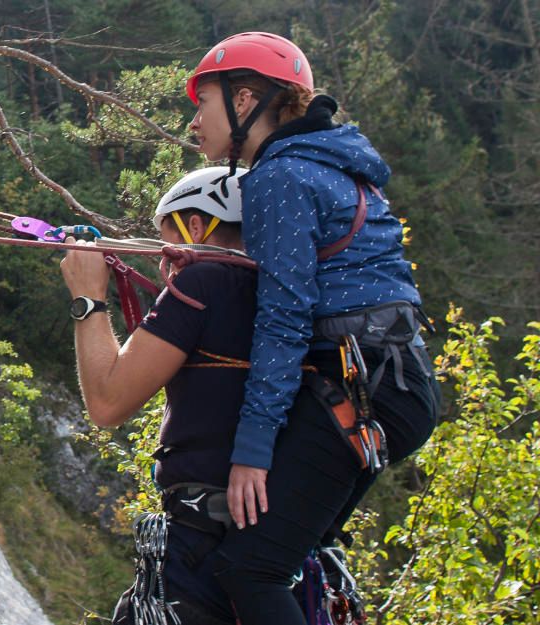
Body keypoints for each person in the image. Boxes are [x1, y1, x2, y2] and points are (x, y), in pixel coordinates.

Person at [184, 32, 439, 624]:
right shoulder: (329, 166)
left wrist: (252, 451)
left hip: (360, 384)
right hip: (393, 382)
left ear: (245, 99)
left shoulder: (280, 177)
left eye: (204, 102)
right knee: (292, 554)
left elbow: (284, 316)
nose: (195, 120)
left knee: (251, 567)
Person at [63, 166, 252, 624]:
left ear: (196, 226)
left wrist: (88, 298)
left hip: (201, 548)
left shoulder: (205, 282)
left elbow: (108, 403)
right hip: (276, 548)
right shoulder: (291, 289)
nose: (165, 261)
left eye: (167, 240)